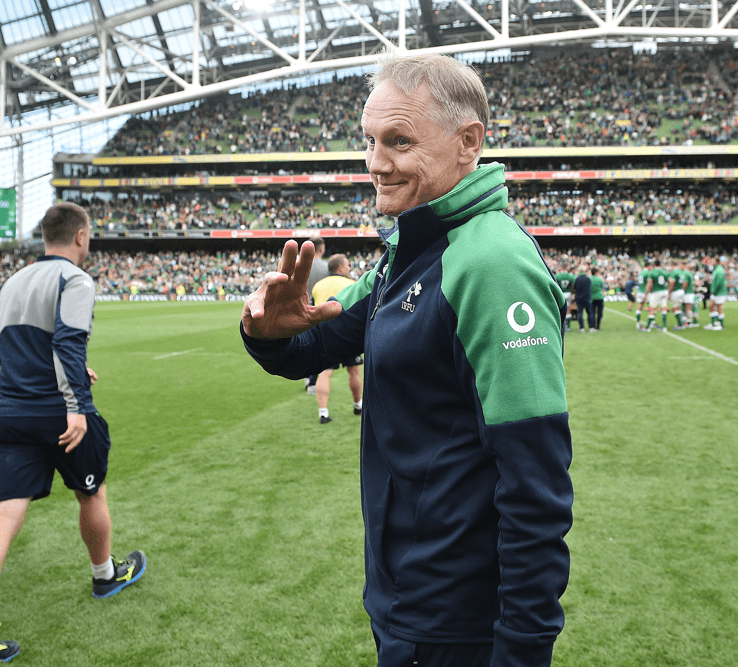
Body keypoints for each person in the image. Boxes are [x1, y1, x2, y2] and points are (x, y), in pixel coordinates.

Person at [240, 54, 572, 667]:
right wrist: (267, 332)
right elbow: (320, 347)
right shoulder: (408, 251)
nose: (375, 163)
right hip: (403, 599)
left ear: (467, 143)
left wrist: (523, 650)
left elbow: (537, 487)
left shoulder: (491, 264)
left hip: (456, 621)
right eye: (369, 141)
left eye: (398, 142)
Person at [0, 203, 145, 665]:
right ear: (80, 236)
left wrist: (67, 373)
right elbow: (67, 341)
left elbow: (2, 352)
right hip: (60, 413)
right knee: (91, 494)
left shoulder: (10, 281)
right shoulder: (74, 279)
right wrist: (75, 404)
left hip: (12, 410)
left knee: (5, 515)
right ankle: (104, 574)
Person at [310, 253, 364, 423]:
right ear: (340, 267)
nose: (349, 268)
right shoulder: (352, 284)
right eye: (348, 265)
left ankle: (323, 412)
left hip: (324, 334)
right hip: (348, 335)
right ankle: (358, 405)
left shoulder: (318, 285)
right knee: (354, 370)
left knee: (324, 373)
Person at [304, 236, 330, 395]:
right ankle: (313, 382)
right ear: (320, 248)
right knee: (317, 346)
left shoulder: (299, 264)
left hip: (301, 307)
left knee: (303, 344)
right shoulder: (326, 267)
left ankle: (307, 377)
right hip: (319, 309)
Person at [705, 255, 727, 330]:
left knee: (719, 308)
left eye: (713, 261)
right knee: (711, 306)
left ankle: (720, 325)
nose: (711, 262)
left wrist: (714, 291)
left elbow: (719, 283)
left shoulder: (719, 270)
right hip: (716, 292)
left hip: (719, 292)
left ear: (717, 262)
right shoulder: (717, 269)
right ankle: (713, 323)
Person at [573, 265, 594, 332]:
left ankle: (582, 328)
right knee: (590, 313)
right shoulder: (588, 279)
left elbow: (575, 288)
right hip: (587, 298)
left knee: (580, 313)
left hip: (579, 298)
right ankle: (591, 327)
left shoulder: (577, 279)